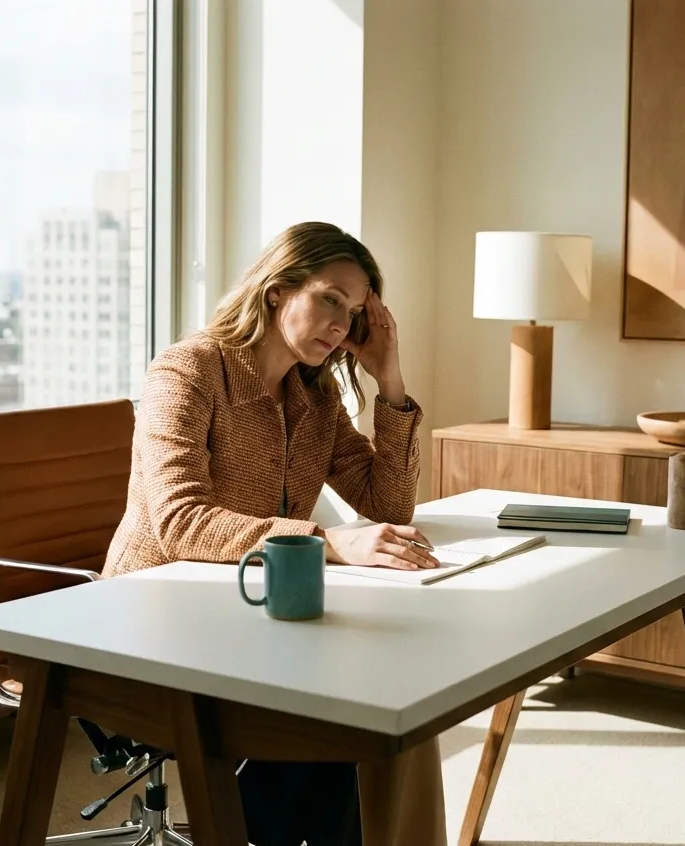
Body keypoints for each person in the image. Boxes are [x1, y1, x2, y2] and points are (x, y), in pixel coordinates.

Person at [103, 221, 447, 846]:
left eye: (356, 312)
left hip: (254, 613)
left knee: (379, 703)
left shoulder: (312, 397)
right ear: (275, 291)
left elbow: (390, 501)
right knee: (316, 719)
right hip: (151, 617)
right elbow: (179, 521)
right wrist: (328, 541)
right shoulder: (187, 372)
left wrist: (389, 385)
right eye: (330, 299)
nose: (342, 324)